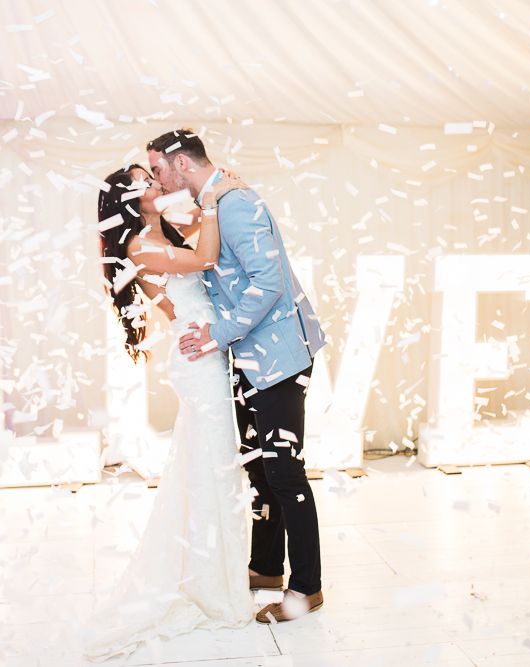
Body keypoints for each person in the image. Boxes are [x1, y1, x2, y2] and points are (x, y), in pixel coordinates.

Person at [146, 128, 327, 624]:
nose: (156, 181)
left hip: (278, 356)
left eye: (158, 169)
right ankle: (265, 568)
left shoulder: (235, 203)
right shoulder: (215, 202)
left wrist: (217, 333)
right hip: (248, 356)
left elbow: (268, 283)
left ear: (182, 163)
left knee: (284, 471)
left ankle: (306, 588)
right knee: (258, 468)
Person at [83, 164, 251, 661]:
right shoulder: (139, 244)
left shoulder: (164, 232)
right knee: (213, 467)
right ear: (131, 198)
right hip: (198, 364)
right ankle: (213, 584)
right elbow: (207, 256)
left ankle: (213, 571)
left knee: (211, 466)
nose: (157, 184)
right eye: (146, 180)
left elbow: (189, 274)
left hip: (205, 352)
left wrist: (206, 207)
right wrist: (218, 198)